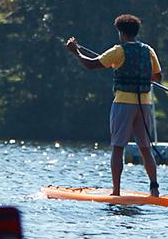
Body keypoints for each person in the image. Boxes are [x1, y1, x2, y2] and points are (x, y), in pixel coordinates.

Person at [65, 14, 162, 196]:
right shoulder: (148, 50)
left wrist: (75, 52)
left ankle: (116, 191)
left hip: (123, 103)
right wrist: (140, 74)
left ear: (122, 33)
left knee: (118, 147)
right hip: (145, 104)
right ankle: (154, 189)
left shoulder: (119, 51)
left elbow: (91, 65)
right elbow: (158, 77)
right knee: (145, 148)